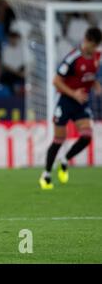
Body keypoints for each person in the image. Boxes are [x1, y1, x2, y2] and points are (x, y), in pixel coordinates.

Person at [39, 27, 101, 190]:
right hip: (65, 101)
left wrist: (96, 85)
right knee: (59, 139)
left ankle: (65, 160)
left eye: (95, 46)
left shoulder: (96, 57)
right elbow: (56, 81)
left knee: (87, 136)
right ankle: (46, 174)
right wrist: (74, 94)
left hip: (81, 103)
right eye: (91, 44)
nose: (92, 48)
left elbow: (88, 76)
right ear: (86, 39)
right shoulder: (73, 57)